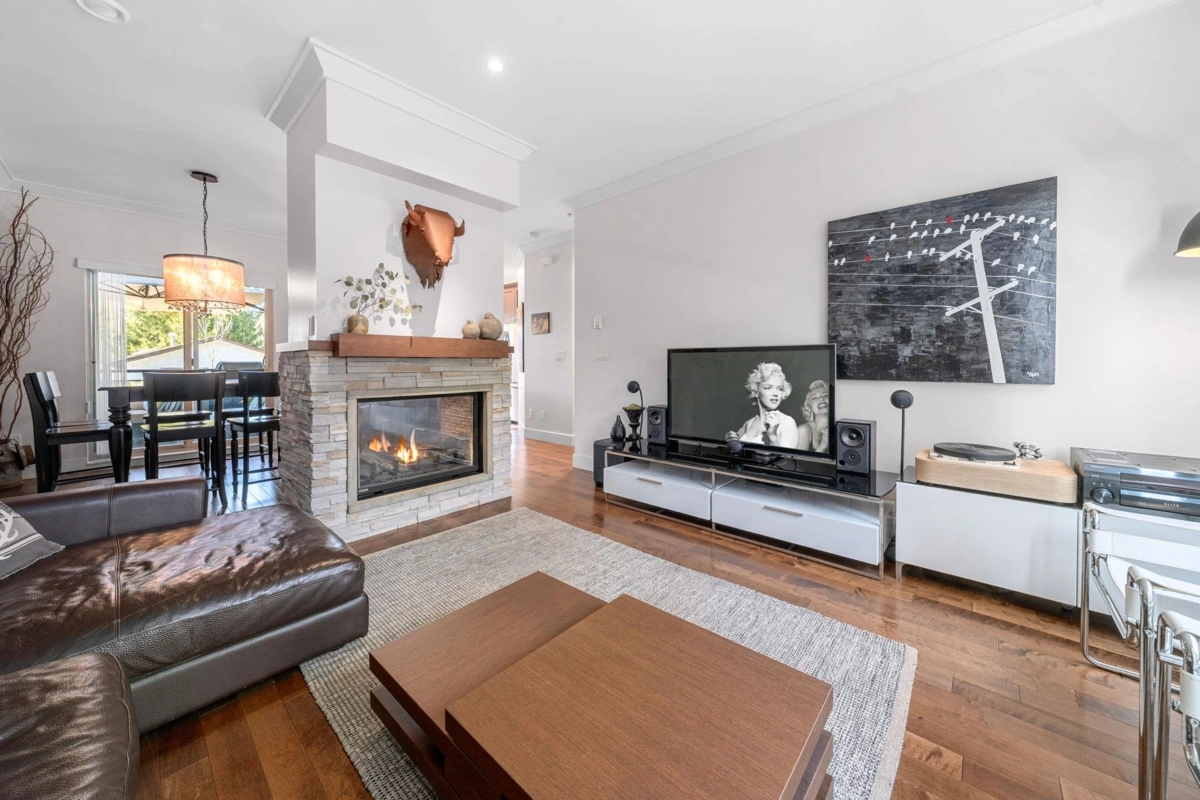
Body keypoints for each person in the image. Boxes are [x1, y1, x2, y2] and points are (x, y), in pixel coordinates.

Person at [726, 363, 800, 449]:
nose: (775, 393)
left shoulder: (787, 422)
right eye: (768, 388)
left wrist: (772, 437)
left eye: (780, 388)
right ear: (756, 392)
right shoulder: (748, 424)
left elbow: (787, 461)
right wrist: (730, 442)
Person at [796, 379, 831, 453]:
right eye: (815, 398)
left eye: (825, 395)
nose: (821, 399)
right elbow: (801, 462)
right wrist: (823, 445)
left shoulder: (841, 427)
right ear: (809, 407)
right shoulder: (804, 430)